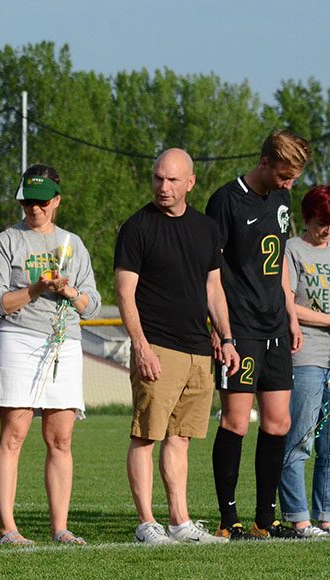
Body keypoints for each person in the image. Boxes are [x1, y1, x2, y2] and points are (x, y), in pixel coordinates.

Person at [115, 148, 239, 545]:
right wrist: (141, 346)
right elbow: (124, 293)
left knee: (180, 438)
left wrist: (228, 338)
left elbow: (213, 289)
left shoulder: (206, 229)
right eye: (157, 178)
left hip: (198, 350)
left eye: (171, 180)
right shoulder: (137, 227)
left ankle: (180, 522)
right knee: (146, 435)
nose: (162, 187)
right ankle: (146, 523)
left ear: (190, 183)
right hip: (158, 347)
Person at [0, 165, 101, 546]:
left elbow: (92, 305)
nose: (34, 209)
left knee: (61, 438)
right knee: (14, 433)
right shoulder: (6, 241)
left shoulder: (73, 244)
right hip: (18, 338)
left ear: (56, 202)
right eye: (28, 202)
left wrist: (69, 294)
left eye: (41, 202)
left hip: (64, 342)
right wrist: (35, 288)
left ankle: (60, 527)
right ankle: (8, 528)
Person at [207, 130, 312, 540]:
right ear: (265, 162)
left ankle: (264, 521)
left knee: (278, 422)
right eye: (285, 176)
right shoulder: (225, 201)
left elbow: (281, 258)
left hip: (275, 327)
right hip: (241, 329)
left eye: (294, 178)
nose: (290, 185)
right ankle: (227, 519)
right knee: (236, 422)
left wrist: (291, 314)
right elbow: (210, 270)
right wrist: (220, 330)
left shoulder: (282, 199)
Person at [279, 184, 330, 537]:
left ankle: (325, 515)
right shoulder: (292, 250)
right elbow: (288, 303)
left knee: (329, 446)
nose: (326, 229)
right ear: (309, 217)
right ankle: (299, 517)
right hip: (307, 356)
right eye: (322, 222)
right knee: (300, 439)